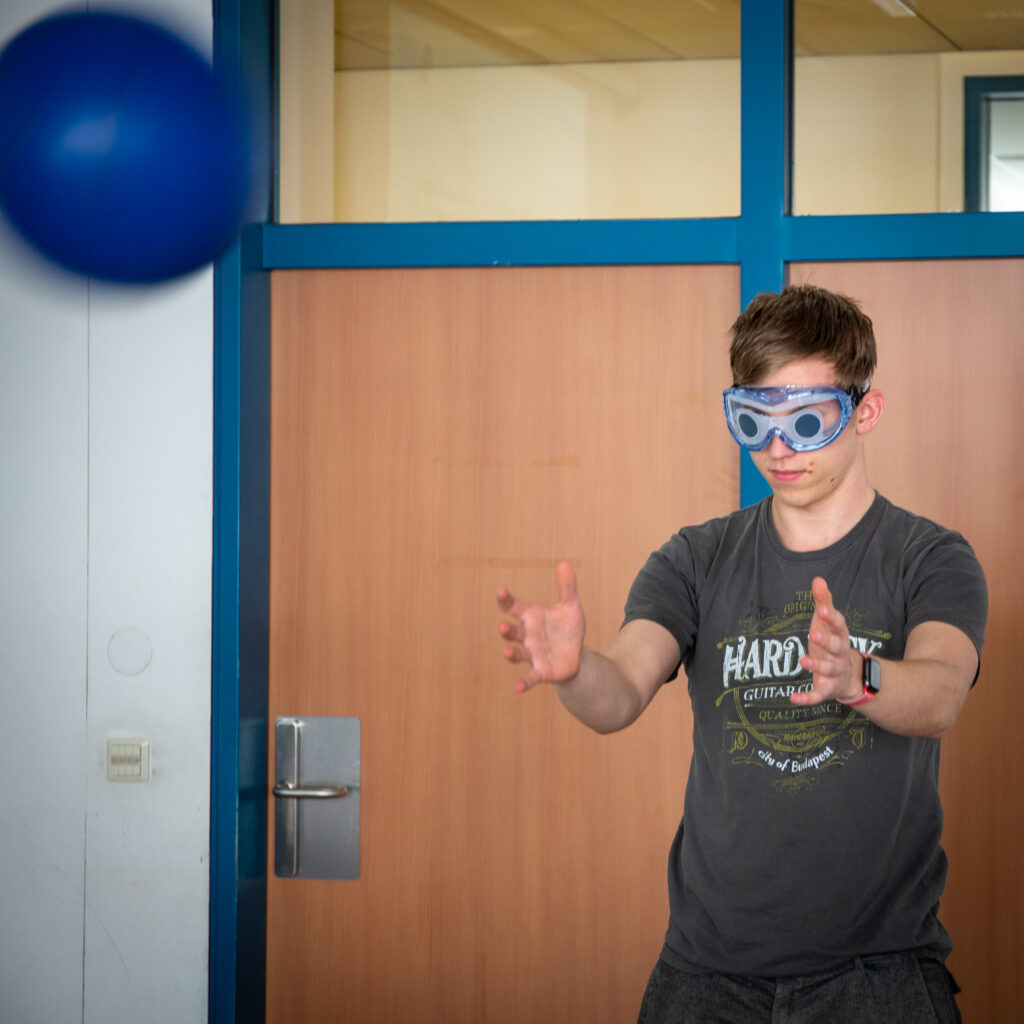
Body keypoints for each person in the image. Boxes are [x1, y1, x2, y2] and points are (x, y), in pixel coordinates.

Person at [495, 284, 987, 1024]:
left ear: (867, 412)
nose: (778, 449)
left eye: (807, 421)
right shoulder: (695, 559)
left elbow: (942, 693)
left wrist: (859, 677)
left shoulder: (931, 558)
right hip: (706, 977)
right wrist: (576, 671)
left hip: (877, 977)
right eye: (754, 422)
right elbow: (621, 689)